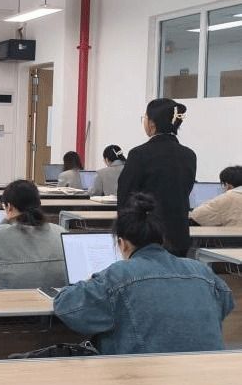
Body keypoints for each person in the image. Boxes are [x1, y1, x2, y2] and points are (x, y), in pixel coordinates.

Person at [54, 194, 233, 355]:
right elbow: (227, 302)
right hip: (208, 372)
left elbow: (67, 307)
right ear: (162, 239)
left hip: (145, 375)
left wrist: (88, 281)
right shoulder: (201, 270)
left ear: (122, 243)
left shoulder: (119, 275)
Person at [117, 98, 196, 257]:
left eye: (145, 118)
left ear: (152, 124)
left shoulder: (139, 154)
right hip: (179, 234)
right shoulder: (189, 155)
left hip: (148, 237)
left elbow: (125, 197)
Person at [0, 180, 66, 289]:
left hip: (12, 299)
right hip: (56, 299)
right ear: (38, 204)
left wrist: (5, 221)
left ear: (9, 207)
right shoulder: (60, 232)